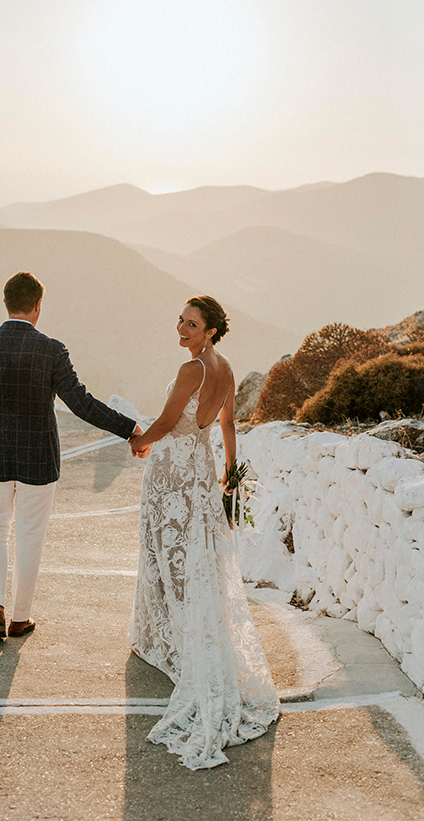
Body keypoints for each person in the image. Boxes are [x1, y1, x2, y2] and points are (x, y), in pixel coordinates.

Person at [128, 295, 280, 770]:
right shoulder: (228, 369)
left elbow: (168, 422)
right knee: (196, 558)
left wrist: (139, 441)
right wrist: (230, 480)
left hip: (173, 472)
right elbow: (229, 424)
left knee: (165, 554)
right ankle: (176, 631)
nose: (183, 328)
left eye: (192, 323)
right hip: (201, 470)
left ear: (211, 329)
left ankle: (167, 637)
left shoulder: (192, 370)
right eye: (181, 320)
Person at [0, 271, 142, 640]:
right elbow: (81, 403)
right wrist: (130, 428)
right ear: (38, 305)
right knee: (29, 536)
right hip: (37, 459)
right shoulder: (51, 350)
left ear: (6, 302)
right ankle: (20, 618)